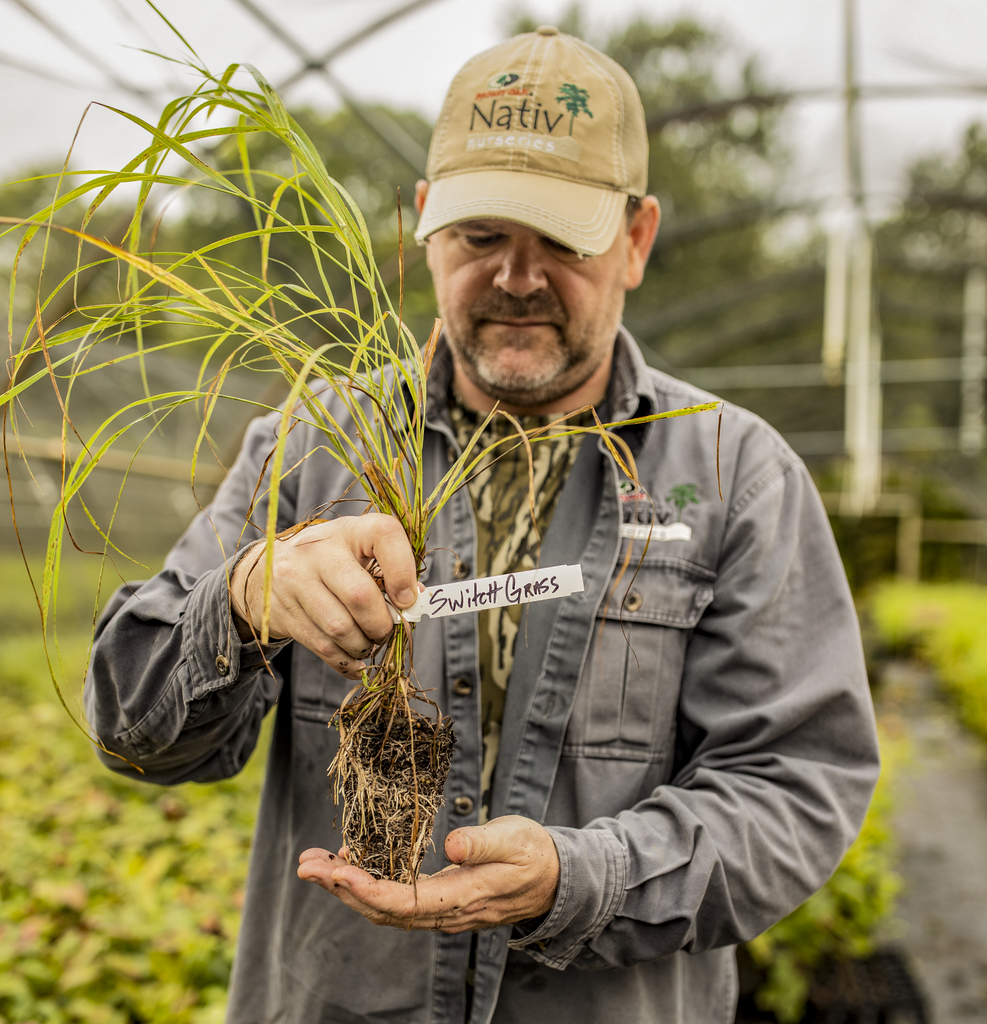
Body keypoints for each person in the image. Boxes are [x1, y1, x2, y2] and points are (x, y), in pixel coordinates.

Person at [86, 26, 879, 1024]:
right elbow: (135, 732)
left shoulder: (733, 475)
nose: (517, 276)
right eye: (481, 234)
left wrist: (579, 878)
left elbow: (794, 788)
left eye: (562, 239)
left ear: (636, 239)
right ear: (427, 224)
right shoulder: (315, 444)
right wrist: (244, 598)